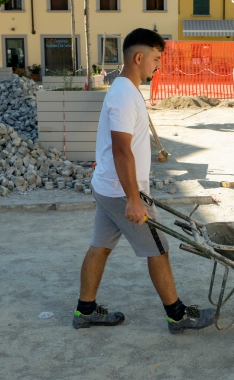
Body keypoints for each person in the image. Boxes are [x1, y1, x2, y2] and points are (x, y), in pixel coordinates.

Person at [73, 28, 215, 334]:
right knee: (159, 248)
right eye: (155, 58)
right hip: (121, 190)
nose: (158, 65)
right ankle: (177, 316)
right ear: (139, 57)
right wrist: (134, 199)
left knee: (100, 246)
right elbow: (122, 150)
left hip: (108, 186)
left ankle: (85, 311)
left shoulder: (125, 90)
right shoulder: (124, 95)